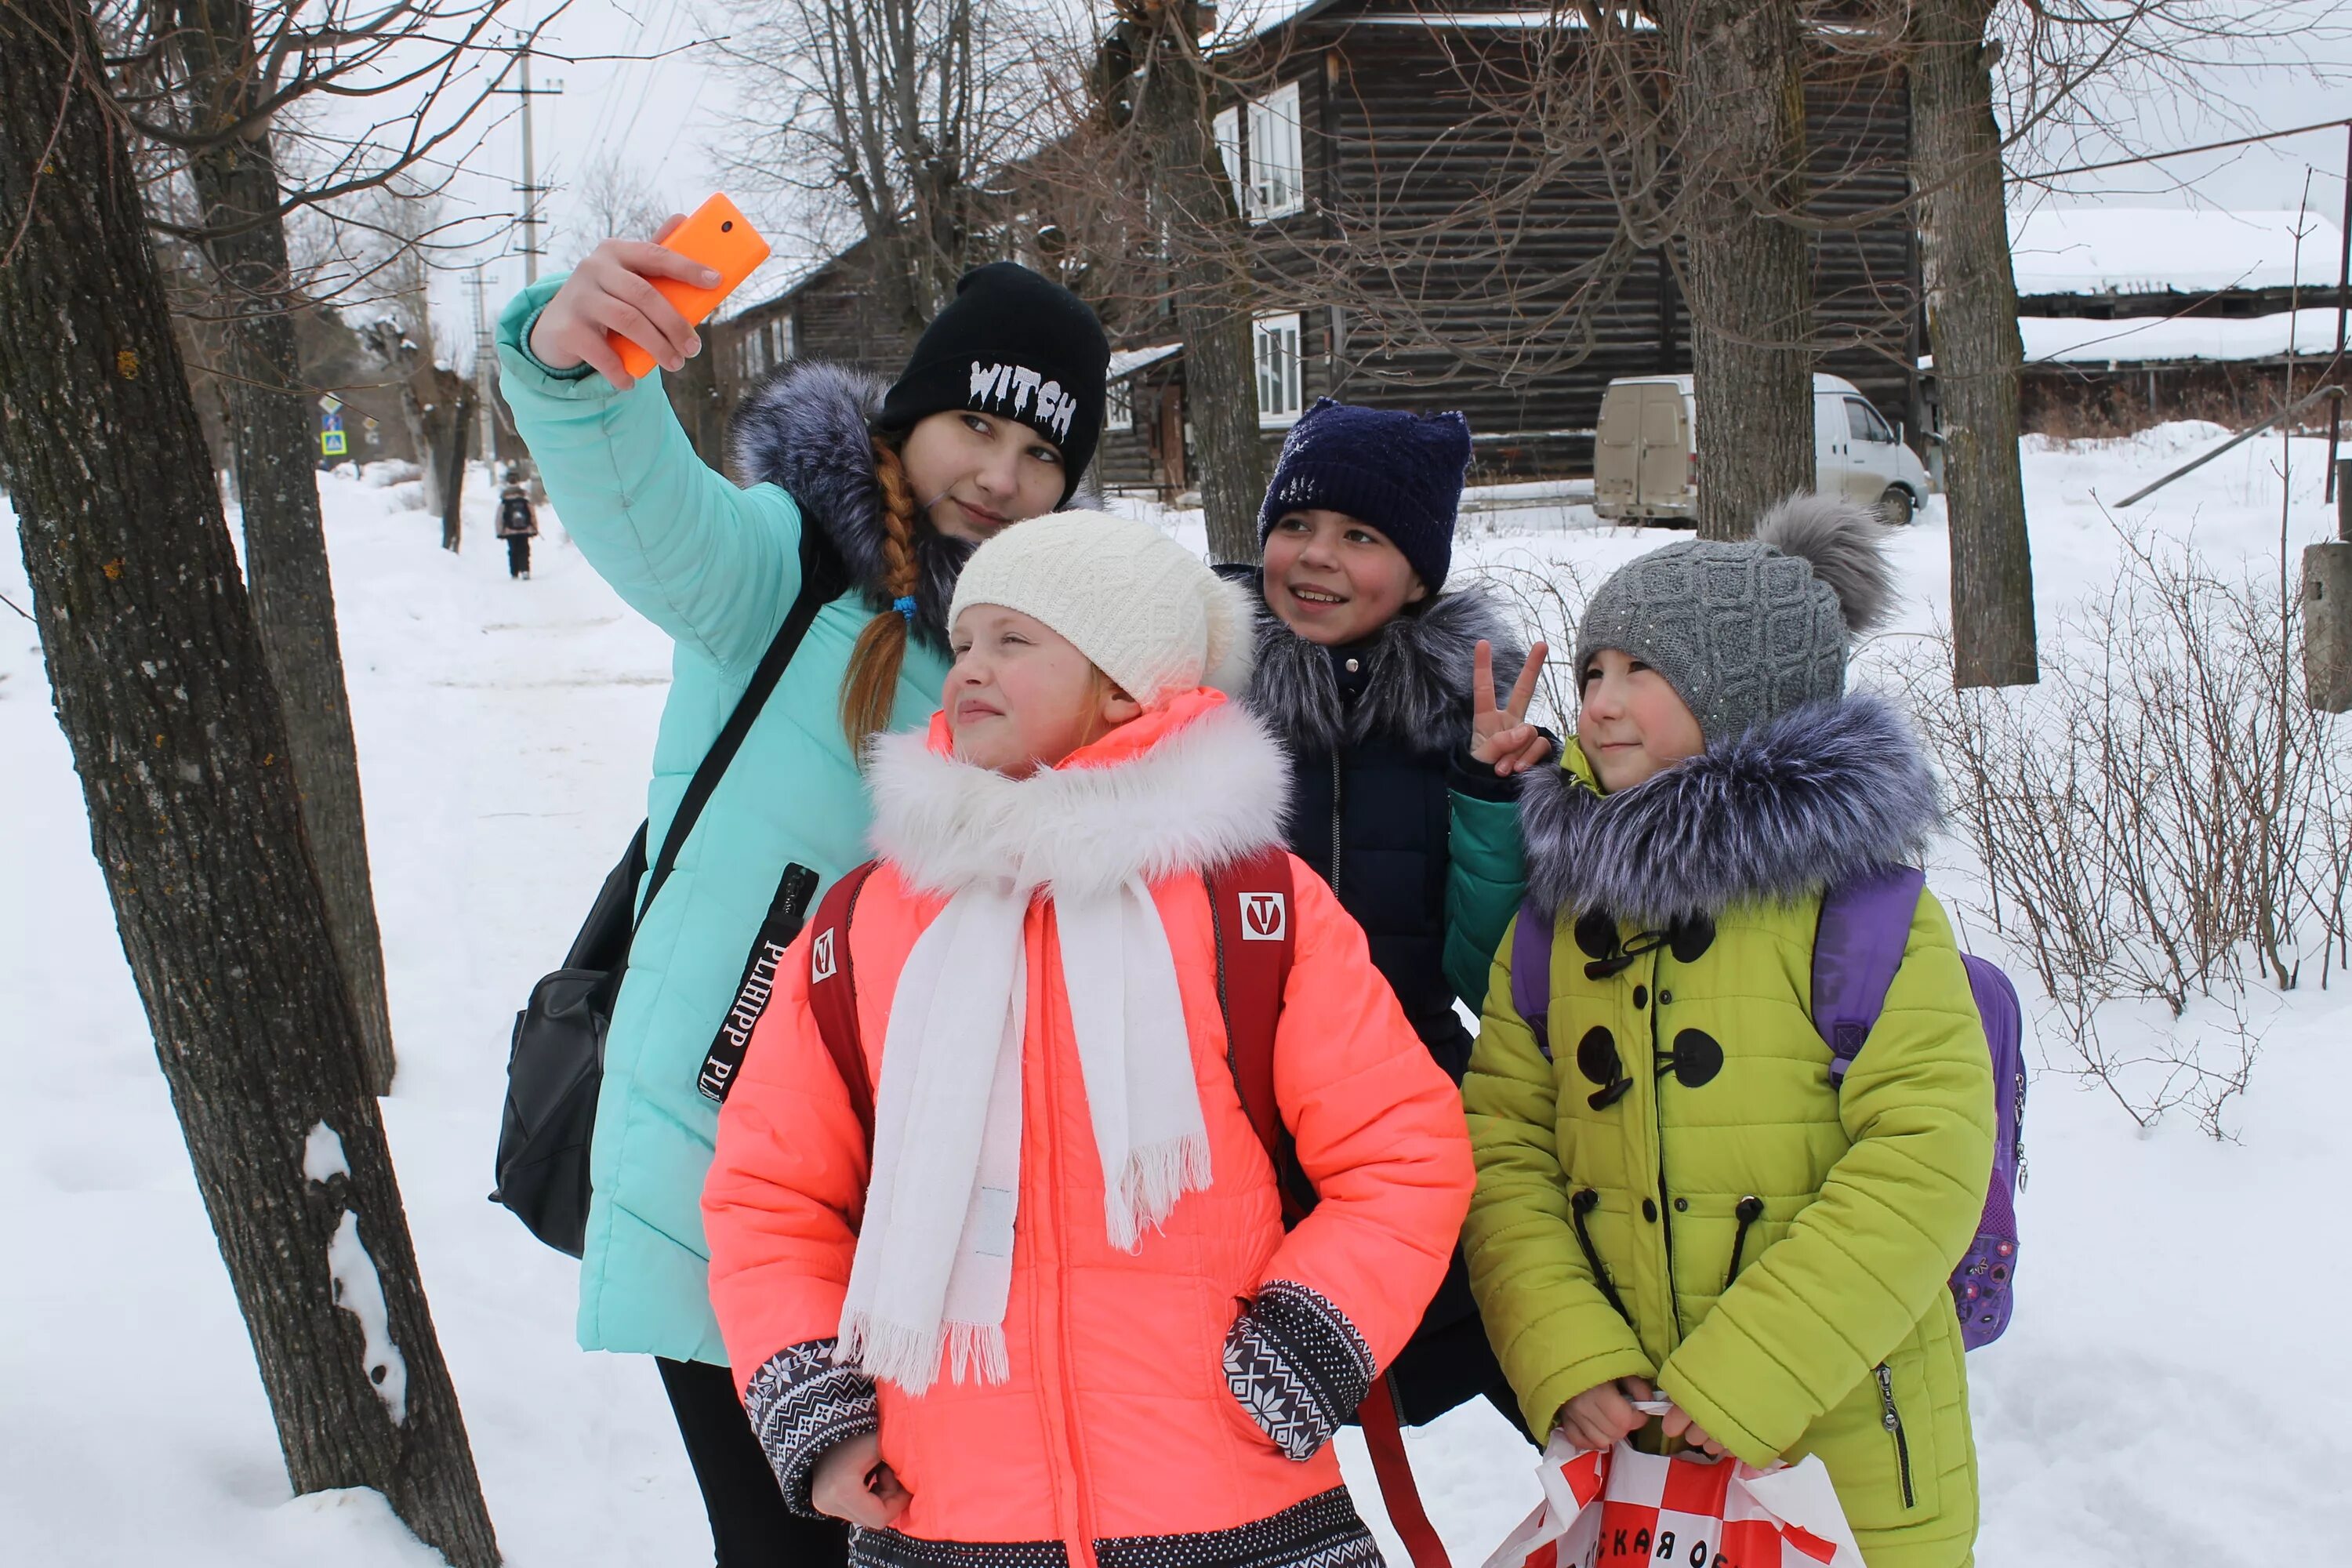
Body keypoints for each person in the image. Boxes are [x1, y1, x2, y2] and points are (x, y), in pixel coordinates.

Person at [496, 231, 1111, 1568]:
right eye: (975, 425)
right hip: (720, 1179)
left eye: (1044, 455)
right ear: (910, 417)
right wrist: (574, 361)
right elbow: (637, 488)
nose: (1002, 478)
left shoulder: (1062, 667)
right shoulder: (776, 570)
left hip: (938, 1208)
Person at [702, 511, 1475, 1568]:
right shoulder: (864, 924)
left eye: (1016, 641)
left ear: (1124, 687)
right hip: (948, 1519)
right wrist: (818, 1416)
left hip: (1235, 1511)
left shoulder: (1251, 904)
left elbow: (1403, 1150)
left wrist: (1307, 1341)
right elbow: (770, 1197)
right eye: (965, 640)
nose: (970, 666)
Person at [1461, 495, 1994, 1568]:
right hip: (1631, 1458)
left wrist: (1755, 1371)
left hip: (1840, 1469)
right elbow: (1501, 1145)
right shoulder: (1560, 919)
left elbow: (1926, 1160)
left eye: (1641, 672)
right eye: (1594, 673)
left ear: (1738, 689)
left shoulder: (1861, 911)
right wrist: (1564, 1352)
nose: (1602, 704)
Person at [1225, 397, 1548, 1431]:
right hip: (1225, 1117)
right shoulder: (1199, 697)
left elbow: (1487, 972)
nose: (1316, 558)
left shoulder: (1458, 721)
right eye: (1297, 526)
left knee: (1533, 1362)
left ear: (1419, 574)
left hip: (1408, 1111)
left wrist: (1491, 798)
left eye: (1360, 536)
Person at [495, 468, 539, 579]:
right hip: (524, 529)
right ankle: (525, 570)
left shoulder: (505, 500)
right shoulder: (524, 498)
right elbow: (532, 513)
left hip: (510, 530)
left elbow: (499, 517)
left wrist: (500, 531)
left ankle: (514, 572)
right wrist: (534, 528)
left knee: (512, 550)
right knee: (524, 549)